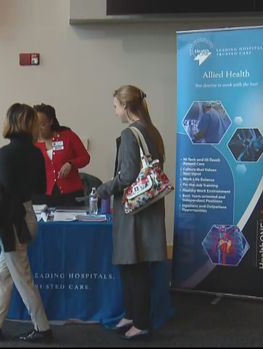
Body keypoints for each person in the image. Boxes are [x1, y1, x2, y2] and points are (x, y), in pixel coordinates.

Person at [96, 85, 168, 340]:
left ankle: (141, 321)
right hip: (148, 208)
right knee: (133, 265)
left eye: (116, 106)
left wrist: (103, 189)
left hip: (133, 211)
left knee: (134, 266)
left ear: (126, 106)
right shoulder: (152, 131)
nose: (115, 112)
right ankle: (131, 313)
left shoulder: (130, 134)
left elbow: (126, 176)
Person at [0, 103, 52, 343]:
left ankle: (42, 328)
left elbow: (7, 191)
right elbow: (41, 188)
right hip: (28, 216)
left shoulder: (5, 152)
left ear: (11, 122)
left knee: (23, 279)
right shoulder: (36, 152)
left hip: (13, 222)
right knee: (4, 274)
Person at [33, 104, 90, 207]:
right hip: (42, 195)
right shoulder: (32, 143)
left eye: (42, 124)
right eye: (35, 124)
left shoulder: (68, 136)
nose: (39, 128)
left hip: (70, 194)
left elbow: (85, 157)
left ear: (51, 121)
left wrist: (71, 164)